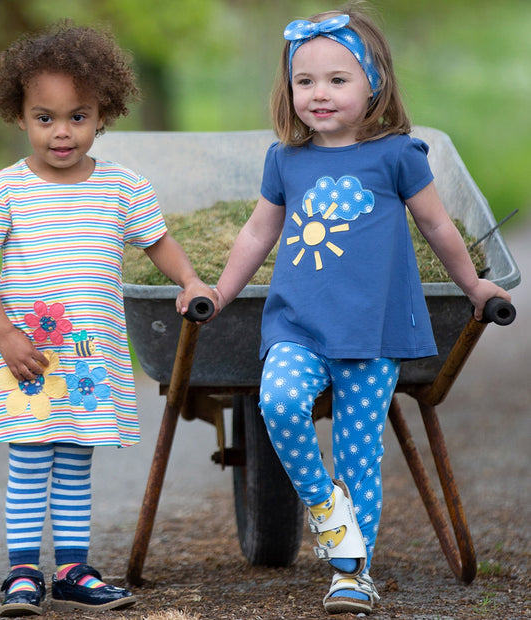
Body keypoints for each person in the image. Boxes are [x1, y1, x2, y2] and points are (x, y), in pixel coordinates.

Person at [193, 2, 512, 616]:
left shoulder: (397, 154)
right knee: (279, 401)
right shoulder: (285, 160)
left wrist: (475, 285)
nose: (319, 93)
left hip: (372, 332)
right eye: (305, 81)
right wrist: (222, 291)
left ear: (375, 86)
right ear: (289, 90)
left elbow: (439, 227)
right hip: (298, 326)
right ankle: (322, 506)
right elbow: (259, 233)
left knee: (358, 452)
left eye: (338, 80)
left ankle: (351, 572)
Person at [0, 22, 213, 617]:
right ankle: (22, 574)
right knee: (29, 460)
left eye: (79, 116)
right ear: (18, 116)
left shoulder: (122, 187)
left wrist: (192, 280)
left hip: (89, 359)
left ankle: (72, 568)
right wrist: (4, 333)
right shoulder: (1, 190)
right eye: (44, 117)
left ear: (104, 114)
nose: (62, 132)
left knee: (76, 458)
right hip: (26, 353)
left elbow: (159, 243)